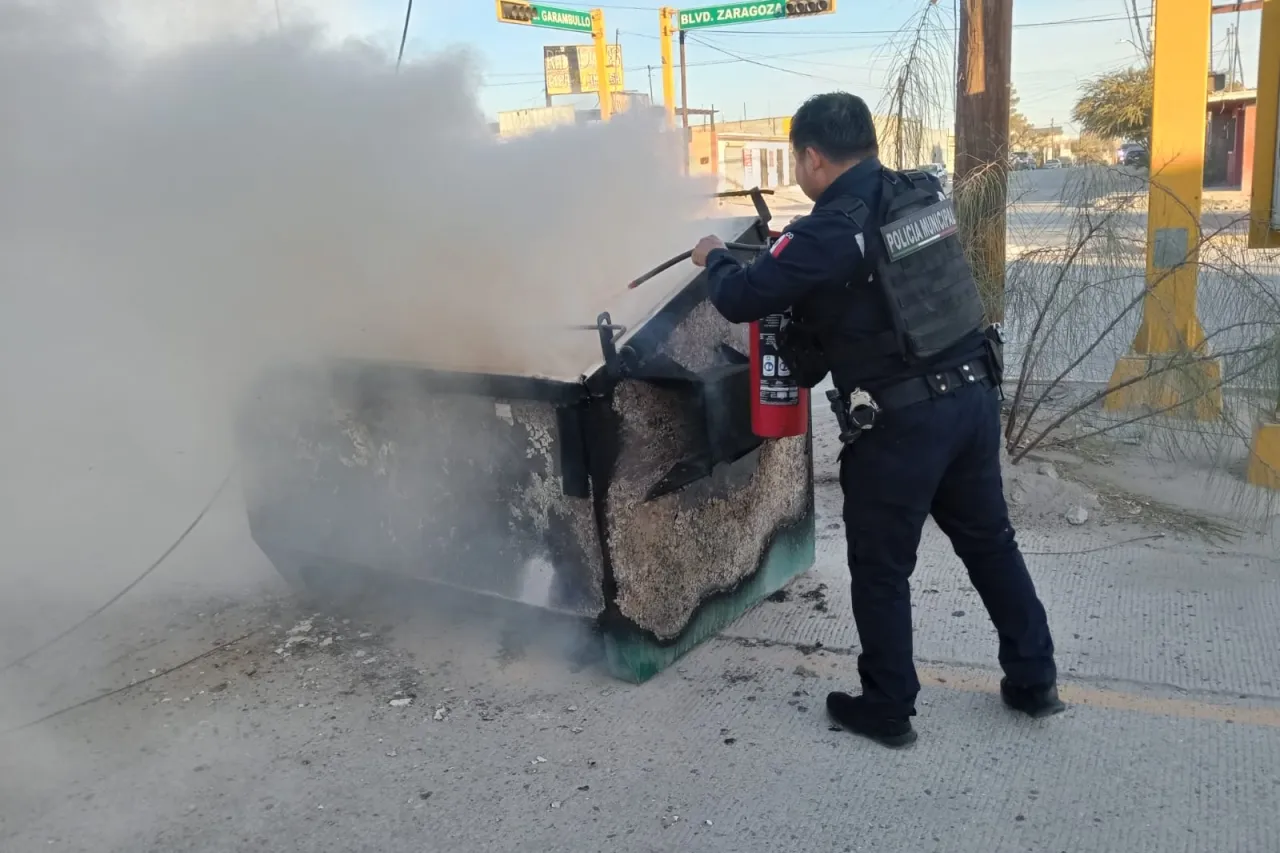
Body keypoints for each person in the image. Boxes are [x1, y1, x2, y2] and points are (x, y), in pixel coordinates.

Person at [690, 92, 1063, 749]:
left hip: (904, 424)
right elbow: (876, 282)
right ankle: (1035, 681)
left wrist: (715, 256)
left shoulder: (831, 229)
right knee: (990, 543)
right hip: (972, 396)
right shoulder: (915, 193)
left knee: (881, 568)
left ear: (812, 157)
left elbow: (741, 297)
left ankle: (887, 706)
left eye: (798, 161)